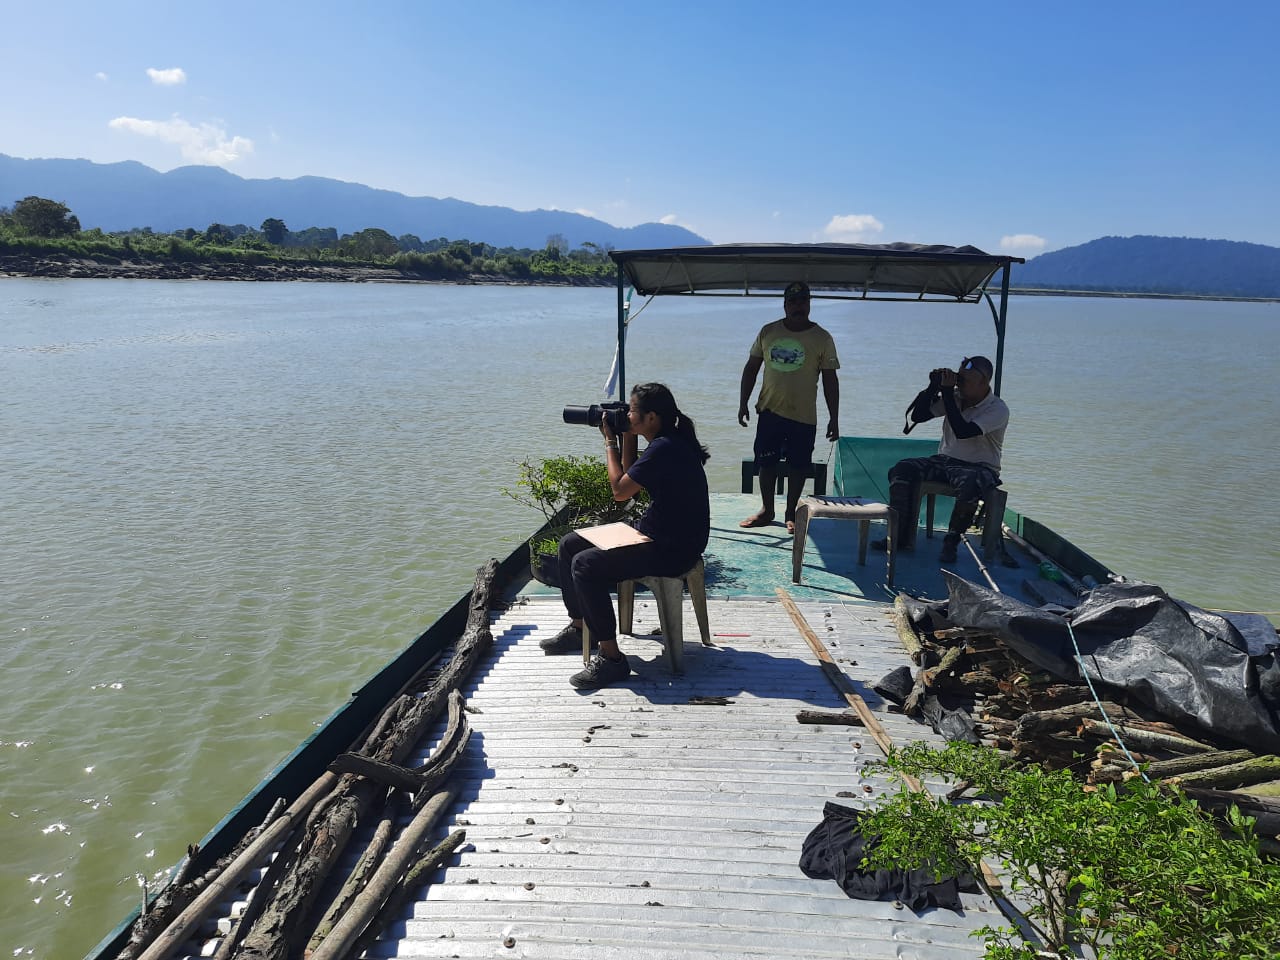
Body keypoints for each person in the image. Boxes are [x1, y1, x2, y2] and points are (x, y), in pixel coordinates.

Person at [542, 382, 711, 690]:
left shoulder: (665, 448)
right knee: (570, 545)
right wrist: (627, 436)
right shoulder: (669, 440)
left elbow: (620, 492)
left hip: (672, 548)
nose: (627, 415)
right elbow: (633, 477)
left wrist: (610, 442)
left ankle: (612, 660)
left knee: (585, 564)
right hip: (659, 534)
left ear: (652, 417)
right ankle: (582, 628)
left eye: (632, 411)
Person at [873, 355, 1009, 563]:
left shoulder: (997, 409)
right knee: (902, 469)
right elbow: (918, 416)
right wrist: (932, 388)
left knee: (971, 482)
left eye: (965, 381)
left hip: (980, 467)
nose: (959, 385)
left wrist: (946, 393)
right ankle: (899, 534)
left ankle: (951, 541)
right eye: (958, 379)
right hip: (945, 461)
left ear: (983, 383)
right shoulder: (954, 397)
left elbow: (963, 431)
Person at [738, 280, 840, 534]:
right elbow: (751, 368)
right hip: (770, 411)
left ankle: (790, 511)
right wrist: (742, 403)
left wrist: (834, 418)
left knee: (799, 466)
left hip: (803, 415)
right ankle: (767, 510)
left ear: (809, 304)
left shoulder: (822, 338)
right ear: (785, 305)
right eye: (793, 302)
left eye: (803, 301)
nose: (798, 306)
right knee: (766, 463)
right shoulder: (768, 332)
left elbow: (830, 379)